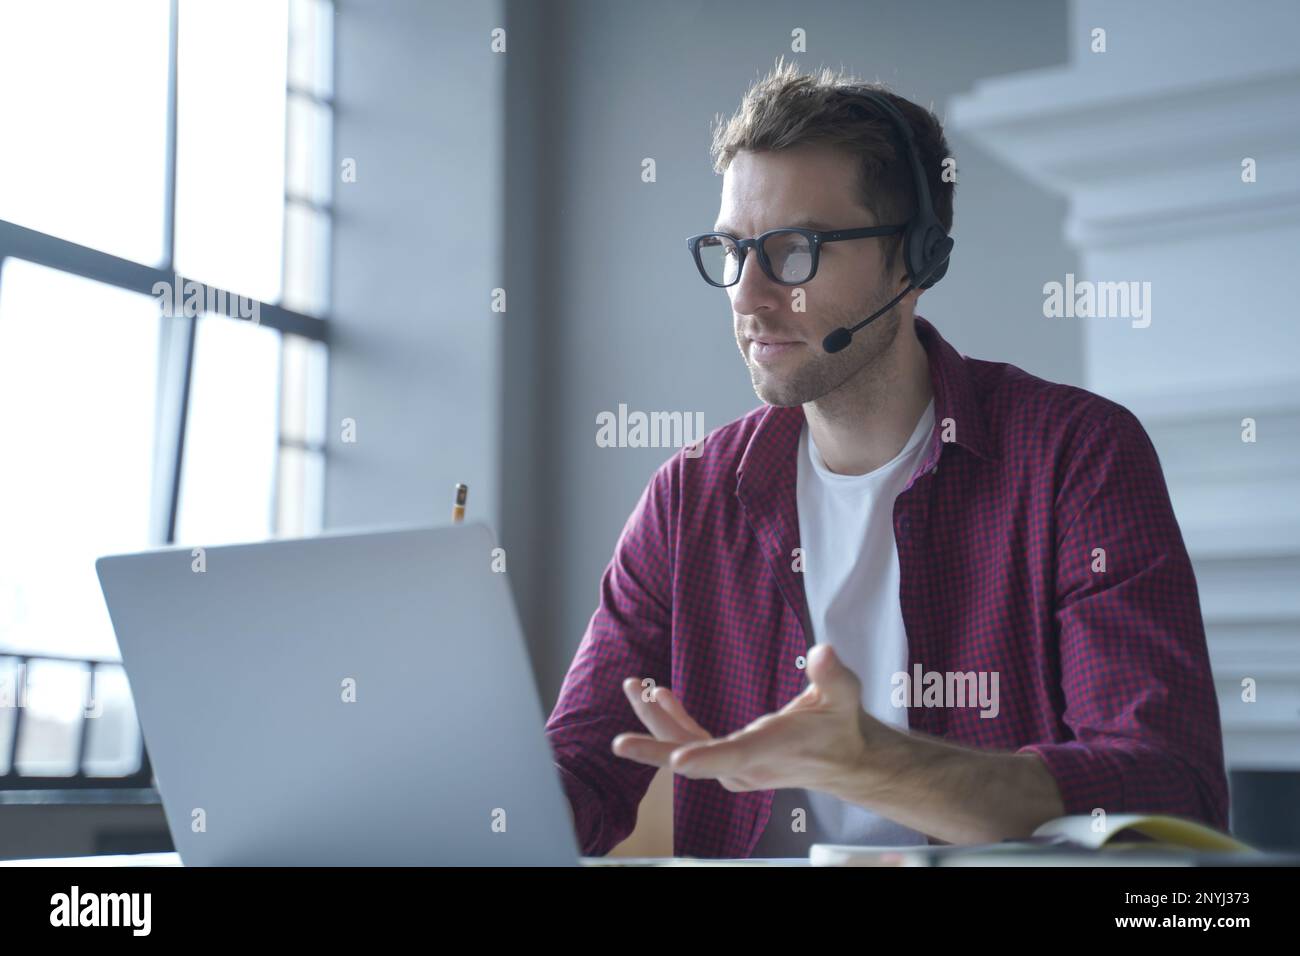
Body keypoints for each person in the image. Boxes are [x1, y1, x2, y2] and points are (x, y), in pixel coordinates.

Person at [544, 59, 1228, 858]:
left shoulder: (1078, 456)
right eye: (732, 251)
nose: (749, 294)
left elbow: (1165, 789)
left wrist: (876, 766)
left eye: (794, 250)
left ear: (915, 261)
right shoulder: (689, 499)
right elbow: (582, 775)